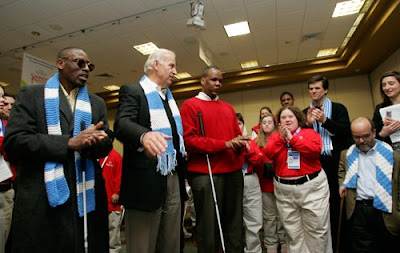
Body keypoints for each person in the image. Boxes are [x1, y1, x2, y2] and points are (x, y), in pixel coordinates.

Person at [3, 47, 113, 253]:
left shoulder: (96, 103)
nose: (86, 68)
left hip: (85, 199)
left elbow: (105, 144)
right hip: (42, 198)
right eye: (80, 63)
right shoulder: (33, 95)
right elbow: (15, 141)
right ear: (60, 64)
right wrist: (68, 143)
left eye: (89, 65)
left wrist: (98, 141)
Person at [114, 48, 186, 253]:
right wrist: (144, 136)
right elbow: (122, 124)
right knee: (142, 245)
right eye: (171, 65)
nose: (175, 71)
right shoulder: (133, 91)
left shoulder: (170, 100)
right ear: (156, 64)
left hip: (172, 178)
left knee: (171, 242)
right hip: (144, 182)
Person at [180, 66, 248, 253]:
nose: (218, 83)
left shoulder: (228, 108)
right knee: (208, 227)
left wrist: (240, 145)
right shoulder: (190, 105)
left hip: (233, 172)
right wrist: (225, 144)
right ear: (203, 80)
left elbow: (236, 136)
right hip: (206, 173)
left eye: (220, 80)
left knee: (235, 225)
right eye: (213, 80)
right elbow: (190, 141)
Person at [264, 106, 332, 253]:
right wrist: (282, 139)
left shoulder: (309, 133)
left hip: (312, 188)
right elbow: (269, 153)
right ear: (279, 121)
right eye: (283, 117)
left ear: (298, 118)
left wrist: (292, 139)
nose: (287, 120)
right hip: (285, 191)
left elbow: (314, 151)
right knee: (293, 233)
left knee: (316, 230)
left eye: (291, 117)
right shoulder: (276, 137)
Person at [303, 75, 352, 249]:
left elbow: (345, 132)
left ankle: (342, 243)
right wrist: (308, 124)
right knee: (319, 204)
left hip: (336, 160)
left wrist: (325, 121)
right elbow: (299, 139)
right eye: (311, 89)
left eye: (317, 88)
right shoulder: (304, 112)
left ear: (325, 90)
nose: (313, 91)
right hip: (315, 162)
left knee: (337, 202)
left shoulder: (338, 109)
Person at [338, 117, 400, 252]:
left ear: (374, 132)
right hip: (359, 209)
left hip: (385, 209)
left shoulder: (393, 155)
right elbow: (342, 172)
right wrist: (342, 184)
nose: (361, 141)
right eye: (357, 137)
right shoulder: (346, 154)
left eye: (366, 136)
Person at [253, 113, 286, 253]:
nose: (266, 124)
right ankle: (271, 243)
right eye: (264, 122)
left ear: (275, 125)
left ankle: (284, 242)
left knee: (282, 215)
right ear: (260, 125)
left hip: (280, 182)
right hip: (264, 183)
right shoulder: (255, 143)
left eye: (269, 122)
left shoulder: (281, 139)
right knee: (269, 217)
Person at [237, 113, 263, 253]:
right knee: (233, 221)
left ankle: (253, 250)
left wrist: (248, 149)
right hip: (233, 181)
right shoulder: (227, 142)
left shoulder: (251, 142)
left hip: (250, 179)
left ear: (243, 125)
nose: (237, 126)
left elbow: (259, 160)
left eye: (239, 123)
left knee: (253, 219)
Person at [0, 86, 16, 253]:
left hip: (6, 189)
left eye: (3, 96)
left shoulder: (6, 125)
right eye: (0, 97)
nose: (3, 101)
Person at [99, 148, 123, 253]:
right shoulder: (96, 155)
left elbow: (120, 176)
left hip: (113, 203)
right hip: (99, 202)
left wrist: (117, 192)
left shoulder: (116, 157)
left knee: (113, 232)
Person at [372, 70, 400, 151]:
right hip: (391, 150)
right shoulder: (380, 109)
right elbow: (373, 135)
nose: (387, 88)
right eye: (383, 85)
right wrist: (383, 133)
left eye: (391, 83)